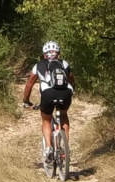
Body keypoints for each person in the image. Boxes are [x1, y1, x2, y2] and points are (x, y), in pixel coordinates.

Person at [21, 40, 75, 168]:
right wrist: (71, 92)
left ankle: (49, 148)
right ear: (58, 54)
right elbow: (71, 80)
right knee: (63, 115)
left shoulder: (38, 65)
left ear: (44, 54)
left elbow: (29, 84)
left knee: (46, 119)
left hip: (47, 94)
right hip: (65, 93)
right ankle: (65, 148)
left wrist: (26, 101)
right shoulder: (64, 64)